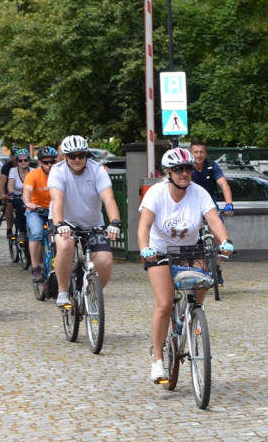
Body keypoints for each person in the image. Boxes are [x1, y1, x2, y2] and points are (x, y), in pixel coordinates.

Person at [138, 147, 234, 384]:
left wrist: (226, 241)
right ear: (167, 172)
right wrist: (144, 248)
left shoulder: (199, 193)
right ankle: (158, 360)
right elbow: (144, 226)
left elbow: (213, 220)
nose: (185, 173)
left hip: (190, 249)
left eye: (189, 168)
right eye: (179, 169)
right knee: (164, 303)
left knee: (205, 276)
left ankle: (193, 315)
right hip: (160, 251)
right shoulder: (156, 193)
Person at [48, 135, 122, 307]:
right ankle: (63, 291)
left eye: (81, 155)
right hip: (65, 222)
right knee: (65, 246)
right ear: (65, 156)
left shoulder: (97, 170)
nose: (77, 159)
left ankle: (93, 295)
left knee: (105, 260)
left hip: (93, 222)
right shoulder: (58, 171)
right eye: (72, 156)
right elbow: (57, 199)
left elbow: (108, 198)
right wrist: (60, 224)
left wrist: (115, 222)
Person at [189, 141, 234, 285]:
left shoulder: (212, 166)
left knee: (217, 233)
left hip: (209, 204)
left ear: (205, 153)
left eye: (201, 152)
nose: (199, 155)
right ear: (191, 153)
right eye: (196, 152)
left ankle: (217, 269)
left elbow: (224, 184)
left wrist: (229, 203)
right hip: (192, 203)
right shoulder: (187, 167)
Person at [23, 146, 57, 282]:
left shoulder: (60, 174)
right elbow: (27, 192)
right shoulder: (33, 175)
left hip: (54, 210)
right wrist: (28, 203)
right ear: (40, 163)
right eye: (46, 162)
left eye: (52, 162)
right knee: (36, 233)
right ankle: (35, 268)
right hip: (36, 210)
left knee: (62, 235)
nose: (50, 165)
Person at [3, 149, 30, 254]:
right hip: (17, 197)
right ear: (17, 162)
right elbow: (10, 183)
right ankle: (21, 232)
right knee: (23, 207)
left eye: (26, 160)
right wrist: (10, 193)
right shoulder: (13, 171)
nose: (23, 162)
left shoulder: (33, 171)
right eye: (20, 160)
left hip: (31, 198)